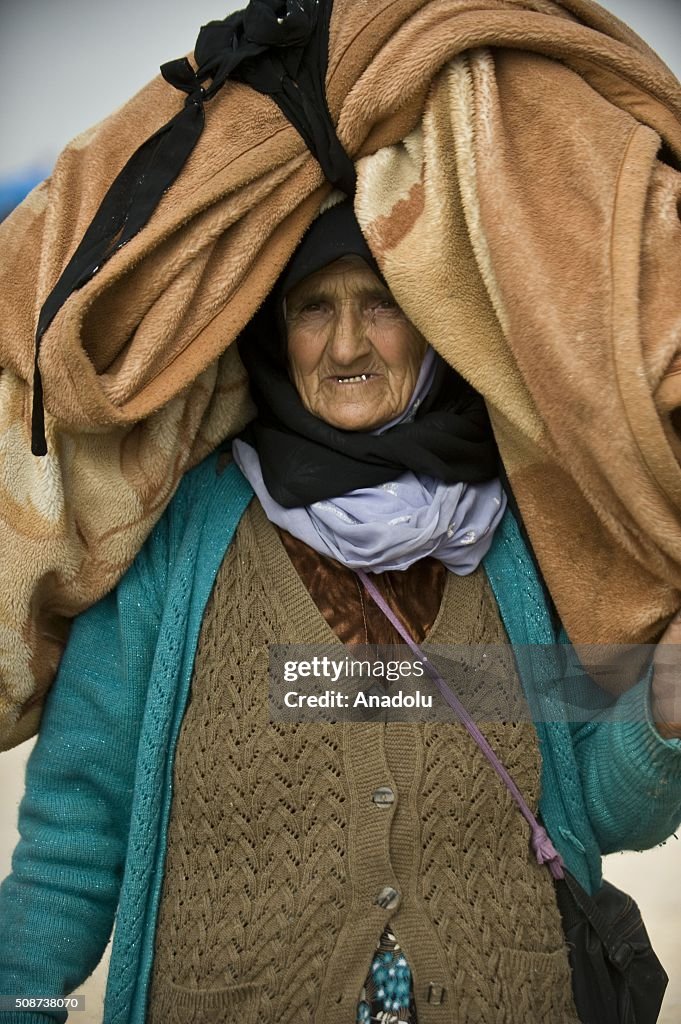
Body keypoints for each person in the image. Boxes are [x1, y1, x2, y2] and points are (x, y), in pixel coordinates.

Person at [0, 199, 680, 1024]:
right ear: (274, 334)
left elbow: (591, 813)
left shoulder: (514, 534)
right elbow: (74, 842)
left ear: (436, 321)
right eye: (313, 307)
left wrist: (660, 713)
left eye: (383, 301)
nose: (348, 343)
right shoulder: (181, 539)